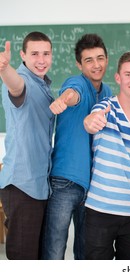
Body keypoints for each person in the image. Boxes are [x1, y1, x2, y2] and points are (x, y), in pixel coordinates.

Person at [41, 33, 112, 260]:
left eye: (100, 58)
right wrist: (64, 100)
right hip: (65, 182)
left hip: (93, 185)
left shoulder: (108, 92)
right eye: (89, 60)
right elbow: (73, 94)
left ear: (107, 60)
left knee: (86, 251)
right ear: (79, 64)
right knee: (54, 248)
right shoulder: (76, 83)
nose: (96, 64)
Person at [83, 51, 130, 260]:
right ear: (118, 78)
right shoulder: (105, 108)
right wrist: (91, 121)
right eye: (128, 74)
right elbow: (91, 122)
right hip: (100, 210)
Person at [0, 32, 55, 259]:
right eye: (34, 54)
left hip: (38, 185)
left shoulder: (42, 84)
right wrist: (4, 70)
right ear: (23, 55)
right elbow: (16, 87)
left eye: (46, 53)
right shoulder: (23, 81)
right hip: (23, 186)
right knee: (24, 259)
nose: (41, 60)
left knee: (37, 259)